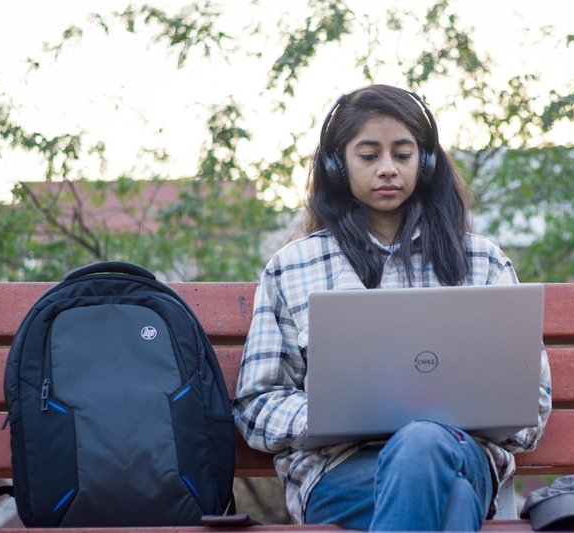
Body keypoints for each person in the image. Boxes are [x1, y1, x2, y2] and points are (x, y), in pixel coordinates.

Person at [233, 84, 551, 531]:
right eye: (369, 155)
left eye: (402, 154)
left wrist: (453, 424)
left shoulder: (483, 261)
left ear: (426, 162)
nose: (387, 169)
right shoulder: (293, 268)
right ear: (337, 165)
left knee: (423, 443)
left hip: (461, 454)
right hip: (341, 472)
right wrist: (328, 417)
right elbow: (255, 402)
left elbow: (532, 401)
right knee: (453, 501)